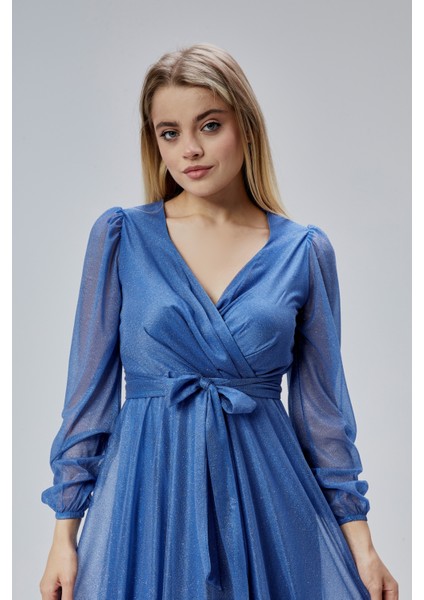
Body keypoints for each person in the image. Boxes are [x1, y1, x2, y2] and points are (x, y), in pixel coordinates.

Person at [39, 43, 398, 600]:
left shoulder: (303, 252)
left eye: (209, 125)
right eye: (170, 132)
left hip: (267, 503)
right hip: (147, 499)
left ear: (246, 127)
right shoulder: (121, 238)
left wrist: (364, 547)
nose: (190, 149)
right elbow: (87, 398)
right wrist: (64, 536)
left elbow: (323, 415)